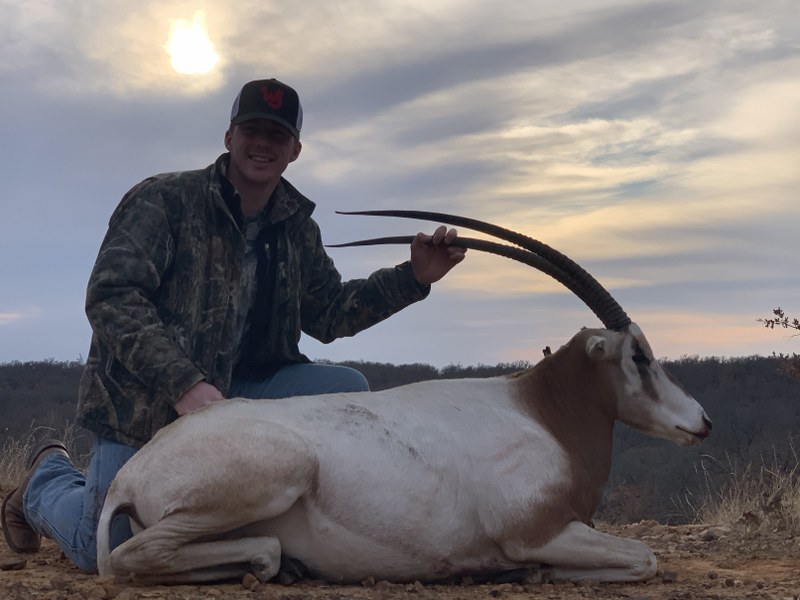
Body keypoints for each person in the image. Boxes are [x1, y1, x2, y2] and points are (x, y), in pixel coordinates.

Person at [1, 78, 465, 572]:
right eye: (252, 130)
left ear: (295, 149)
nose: (262, 144)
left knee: (348, 388)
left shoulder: (297, 228)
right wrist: (185, 385)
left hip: (242, 395)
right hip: (144, 401)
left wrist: (413, 278)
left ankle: (305, 526)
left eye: (277, 135)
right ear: (229, 137)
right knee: (107, 547)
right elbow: (113, 297)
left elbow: (330, 313)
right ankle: (46, 479)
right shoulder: (164, 200)